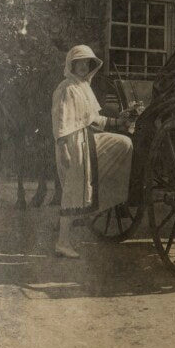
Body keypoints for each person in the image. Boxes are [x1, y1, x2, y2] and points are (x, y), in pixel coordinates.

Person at [52, 45, 134, 258]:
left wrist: (118, 122)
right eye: (78, 62)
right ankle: (62, 242)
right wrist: (63, 149)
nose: (82, 66)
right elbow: (60, 122)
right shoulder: (66, 88)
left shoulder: (84, 87)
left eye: (86, 63)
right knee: (72, 188)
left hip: (88, 140)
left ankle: (97, 203)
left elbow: (95, 120)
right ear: (71, 65)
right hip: (72, 143)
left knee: (124, 144)